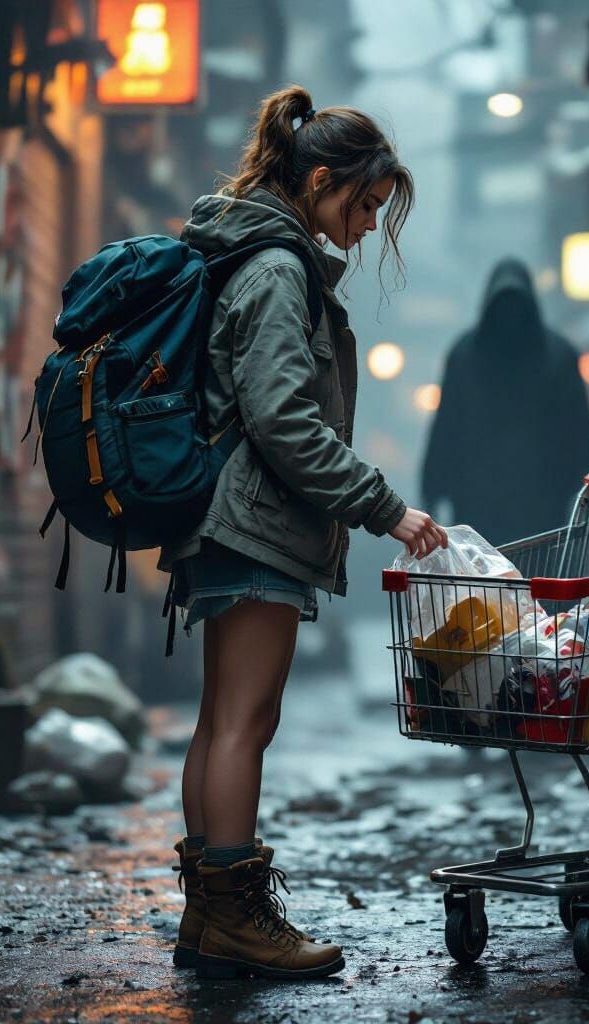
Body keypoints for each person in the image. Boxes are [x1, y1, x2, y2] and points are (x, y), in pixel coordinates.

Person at [157, 85, 448, 981]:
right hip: (255, 523)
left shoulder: (250, 252)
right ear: (320, 181)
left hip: (225, 518)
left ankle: (210, 917)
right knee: (245, 722)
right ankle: (236, 921)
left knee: (222, 721)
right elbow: (284, 420)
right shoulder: (278, 269)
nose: (367, 226)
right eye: (364, 204)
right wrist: (383, 507)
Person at [421, 259, 589, 544]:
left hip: (482, 507)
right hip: (540, 508)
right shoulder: (559, 354)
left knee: (483, 575)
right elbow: (579, 431)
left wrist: (432, 490)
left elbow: (446, 428)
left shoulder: (464, 354)